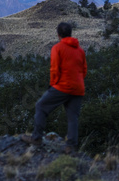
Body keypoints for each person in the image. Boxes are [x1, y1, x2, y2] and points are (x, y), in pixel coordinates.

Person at [22, 22, 87, 154]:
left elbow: (54, 69)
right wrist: (77, 81)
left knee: (41, 106)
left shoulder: (58, 48)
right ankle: (71, 146)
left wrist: (53, 84)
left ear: (58, 34)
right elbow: (84, 70)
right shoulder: (79, 50)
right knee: (72, 117)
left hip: (62, 86)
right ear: (70, 33)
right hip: (78, 88)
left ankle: (36, 138)